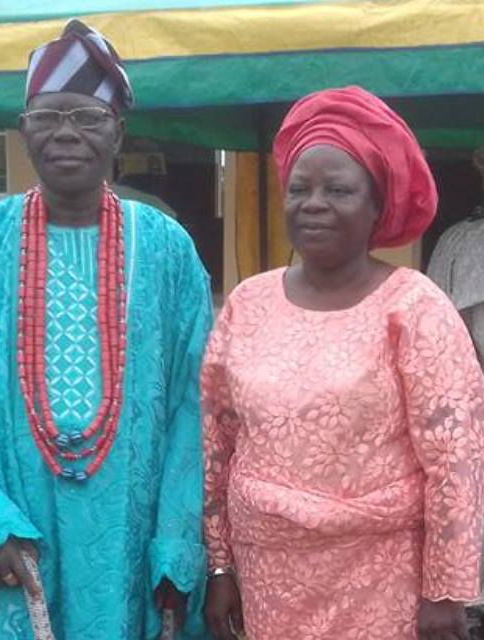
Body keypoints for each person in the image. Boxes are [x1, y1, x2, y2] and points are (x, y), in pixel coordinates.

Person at [0, 19, 212, 639]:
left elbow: (195, 401)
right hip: (10, 522)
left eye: (87, 117)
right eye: (47, 117)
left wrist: (177, 538)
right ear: (23, 131)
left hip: (131, 525)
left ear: (117, 132)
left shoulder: (167, 249)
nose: (66, 133)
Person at [201, 86, 484, 640]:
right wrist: (220, 565)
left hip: (383, 576)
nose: (313, 203)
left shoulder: (414, 306)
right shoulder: (248, 303)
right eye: (299, 189)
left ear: (377, 205)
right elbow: (218, 443)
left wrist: (446, 592)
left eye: (338, 189)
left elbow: (456, 463)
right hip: (268, 579)